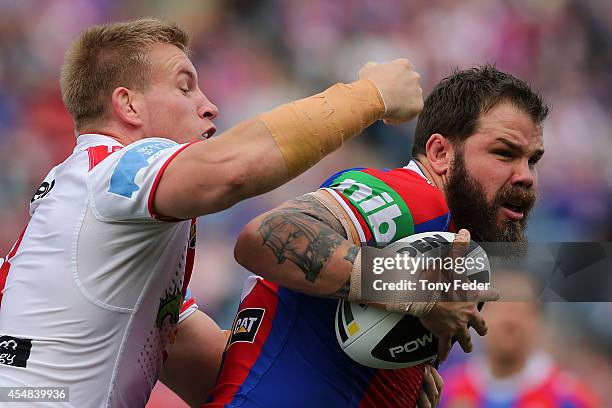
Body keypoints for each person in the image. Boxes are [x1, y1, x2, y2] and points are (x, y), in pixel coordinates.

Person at [0, 18, 424, 407]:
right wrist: (372, 95)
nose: (209, 106)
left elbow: (228, 377)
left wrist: (378, 364)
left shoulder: (103, 229)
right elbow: (233, 171)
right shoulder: (113, 167)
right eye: (185, 87)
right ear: (128, 107)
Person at [204, 65, 548, 407]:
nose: (526, 176)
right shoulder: (414, 197)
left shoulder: (451, 245)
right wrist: (418, 289)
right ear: (440, 153)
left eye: (532, 160)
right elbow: (266, 235)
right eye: (504, 153)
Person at [440, 272, 600, 407]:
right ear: (478, 318)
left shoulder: (571, 398)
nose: (510, 320)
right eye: (500, 310)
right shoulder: (447, 391)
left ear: (539, 321)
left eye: (521, 311)